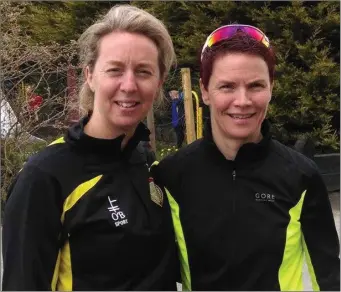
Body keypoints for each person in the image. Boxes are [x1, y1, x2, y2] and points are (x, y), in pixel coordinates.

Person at [2, 5, 180, 291]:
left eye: (144, 72)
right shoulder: (45, 176)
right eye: (115, 70)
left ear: (158, 83)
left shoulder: (143, 160)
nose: (129, 85)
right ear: (90, 76)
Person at [152, 24, 340, 290]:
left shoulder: (302, 176)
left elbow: (328, 277)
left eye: (255, 86)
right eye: (227, 86)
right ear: (205, 91)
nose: (242, 101)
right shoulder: (170, 175)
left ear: (271, 89)